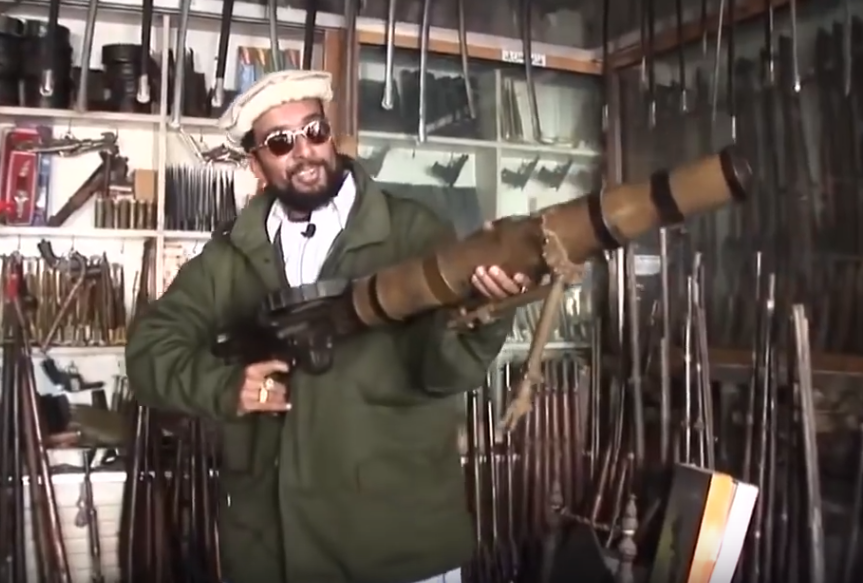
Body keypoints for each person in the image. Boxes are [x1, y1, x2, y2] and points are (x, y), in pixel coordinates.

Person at [125, 69, 531, 583]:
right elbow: (149, 350)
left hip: (396, 547)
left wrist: (488, 313)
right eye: (280, 142)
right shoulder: (231, 254)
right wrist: (226, 387)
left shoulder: (412, 231)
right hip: (273, 551)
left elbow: (446, 370)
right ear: (256, 163)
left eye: (315, 131)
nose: (305, 152)